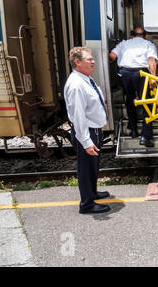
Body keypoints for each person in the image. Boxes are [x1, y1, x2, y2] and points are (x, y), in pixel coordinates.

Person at [64, 47, 111, 214]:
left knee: (93, 166)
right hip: (87, 131)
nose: (93, 61)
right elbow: (78, 116)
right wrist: (86, 141)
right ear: (78, 62)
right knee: (85, 168)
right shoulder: (76, 85)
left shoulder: (86, 79)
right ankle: (87, 204)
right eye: (89, 59)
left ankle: (92, 192)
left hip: (95, 130)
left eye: (92, 59)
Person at [109, 27, 158, 147]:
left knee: (129, 100)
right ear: (145, 35)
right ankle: (145, 137)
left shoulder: (124, 43)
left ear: (132, 35)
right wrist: (153, 78)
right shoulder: (148, 44)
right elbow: (151, 60)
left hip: (124, 74)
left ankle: (133, 130)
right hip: (140, 74)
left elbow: (112, 56)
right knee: (147, 102)